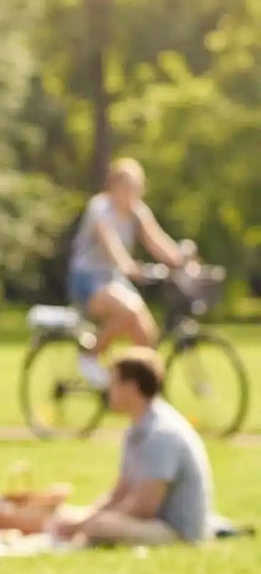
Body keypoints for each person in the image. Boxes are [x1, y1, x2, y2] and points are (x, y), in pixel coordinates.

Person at [51, 348, 214, 546]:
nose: (107, 389)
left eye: (113, 382)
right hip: (151, 523)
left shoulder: (161, 434)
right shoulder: (137, 430)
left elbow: (145, 506)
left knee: (100, 527)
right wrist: (87, 516)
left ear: (131, 387)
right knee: (65, 516)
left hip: (176, 532)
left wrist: (87, 523)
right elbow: (120, 491)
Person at [69, 157, 191, 386]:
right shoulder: (100, 207)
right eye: (129, 187)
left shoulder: (137, 210)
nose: (134, 192)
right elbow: (109, 240)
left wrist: (181, 260)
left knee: (147, 333)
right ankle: (89, 356)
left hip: (114, 279)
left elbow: (156, 240)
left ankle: (136, 386)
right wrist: (127, 264)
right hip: (88, 277)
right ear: (114, 186)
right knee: (130, 312)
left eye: (137, 187)